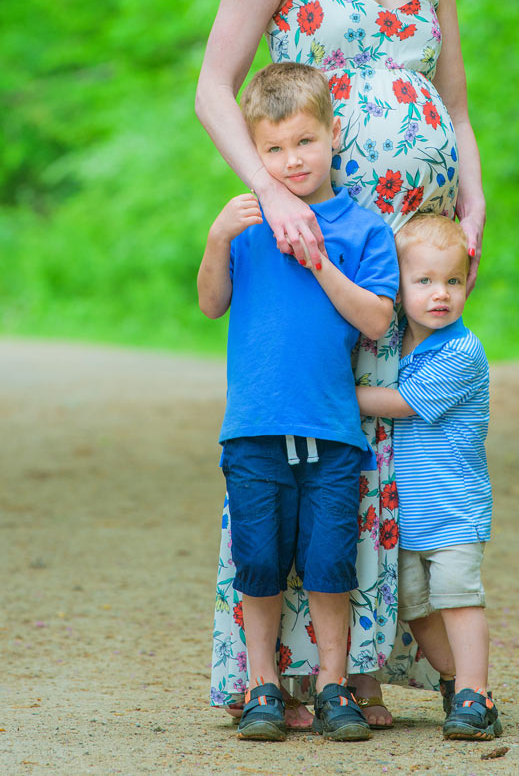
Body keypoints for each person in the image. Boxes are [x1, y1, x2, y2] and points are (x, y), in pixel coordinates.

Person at [197, 0, 486, 726]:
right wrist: (271, 193)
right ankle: (278, 669)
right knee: (309, 438)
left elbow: (453, 105)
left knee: (395, 449)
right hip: (314, 237)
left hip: (410, 253)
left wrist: (473, 205)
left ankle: (363, 668)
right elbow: (214, 85)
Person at [198, 62, 400, 742]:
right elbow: (210, 302)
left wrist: (318, 258)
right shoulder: (247, 222)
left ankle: (333, 685)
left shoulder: (362, 227)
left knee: (329, 563)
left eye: (305, 142)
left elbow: (376, 320)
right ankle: (260, 685)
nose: (291, 161)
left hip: (333, 431)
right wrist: (217, 236)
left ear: (332, 134)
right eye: (274, 149)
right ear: (255, 152)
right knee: (257, 560)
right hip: (254, 428)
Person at [356, 213, 498, 741]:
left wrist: (326, 398)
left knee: (459, 597)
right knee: (415, 607)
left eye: (453, 281)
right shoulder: (391, 345)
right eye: (425, 281)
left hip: (453, 507)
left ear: (468, 282)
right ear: (397, 283)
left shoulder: (461, 352)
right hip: (403, 513)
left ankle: (475, 694)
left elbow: (397, 404)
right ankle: (454, 681)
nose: (441, 294)